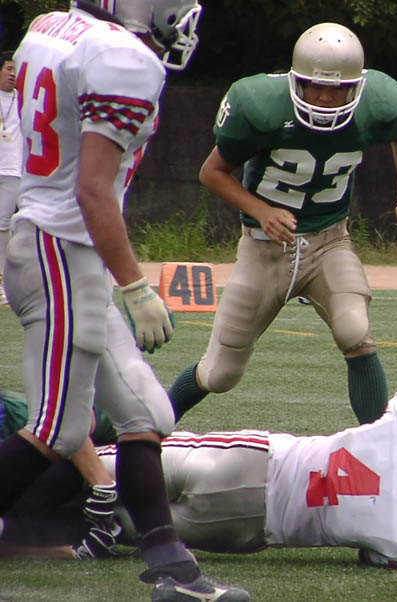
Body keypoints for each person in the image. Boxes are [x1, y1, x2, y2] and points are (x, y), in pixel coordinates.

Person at [2, 2, 250, 600]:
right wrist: (137, 286)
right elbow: (92, 189)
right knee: (58, 428)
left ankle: (173, 569)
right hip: (61, 246)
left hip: (60, 244)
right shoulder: (123, 58)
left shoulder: (53, 26)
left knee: (147, 414)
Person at [168, 23, 397, 427]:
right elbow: (211, 172)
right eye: (315, 86)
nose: (325, 96)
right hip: (263, 251)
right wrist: (261, 210)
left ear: (356, 87)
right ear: (296, 81)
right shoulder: (261, 104)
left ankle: (381, 443)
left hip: (329, 242)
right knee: (219, 374)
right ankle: (146, 430)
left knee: (355, 332)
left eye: (337, 88)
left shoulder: (380, 100)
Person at [0, 385, 397, 572]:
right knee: (115, 534)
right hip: (249, 530)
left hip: (252, 461)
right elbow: (376, 558)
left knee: (103, 472)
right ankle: (33, 540)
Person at [0, 50, 21, 306]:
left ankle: (3, 282)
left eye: (15, 69)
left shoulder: (23, 99)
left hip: (13, 169)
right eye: (8, 68)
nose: (13, 74)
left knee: (3, 226)